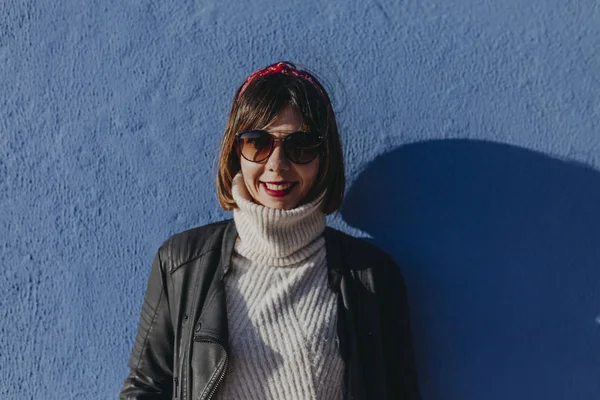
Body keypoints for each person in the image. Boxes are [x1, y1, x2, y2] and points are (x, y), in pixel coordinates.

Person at [120, 62, 421, 400]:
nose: (277, 164)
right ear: (237, 151)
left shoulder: (371, 276)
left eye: (301, 145)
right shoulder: (181, 263)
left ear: (324, 157)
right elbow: (146, 387)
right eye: (257, 143)